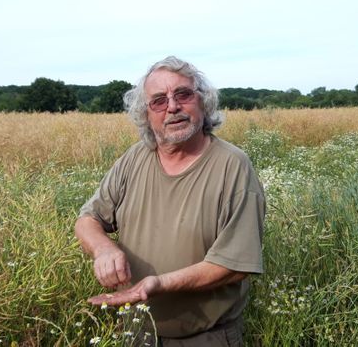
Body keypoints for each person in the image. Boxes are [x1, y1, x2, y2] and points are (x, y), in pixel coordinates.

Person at [75, 56, 265, 346]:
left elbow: (235, 264)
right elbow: (88, 219)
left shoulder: (233, 165)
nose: (173, 107)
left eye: (183, 94)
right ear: (146, 115)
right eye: (159, 101)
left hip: (206, 337)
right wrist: (102, 248)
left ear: (203, 102)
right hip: (136, 330)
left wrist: (159, 284)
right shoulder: (134, 158)